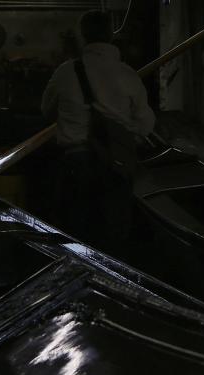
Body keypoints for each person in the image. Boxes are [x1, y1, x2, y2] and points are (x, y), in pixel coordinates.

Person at [41, 10, 155, 246]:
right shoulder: (127, 74)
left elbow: (46, 110)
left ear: (83, 36)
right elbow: (145, 124)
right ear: (111, 35)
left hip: (75, 163)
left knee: (75, 238)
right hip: (116, 165)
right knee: (114, 239)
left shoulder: (65, 72)